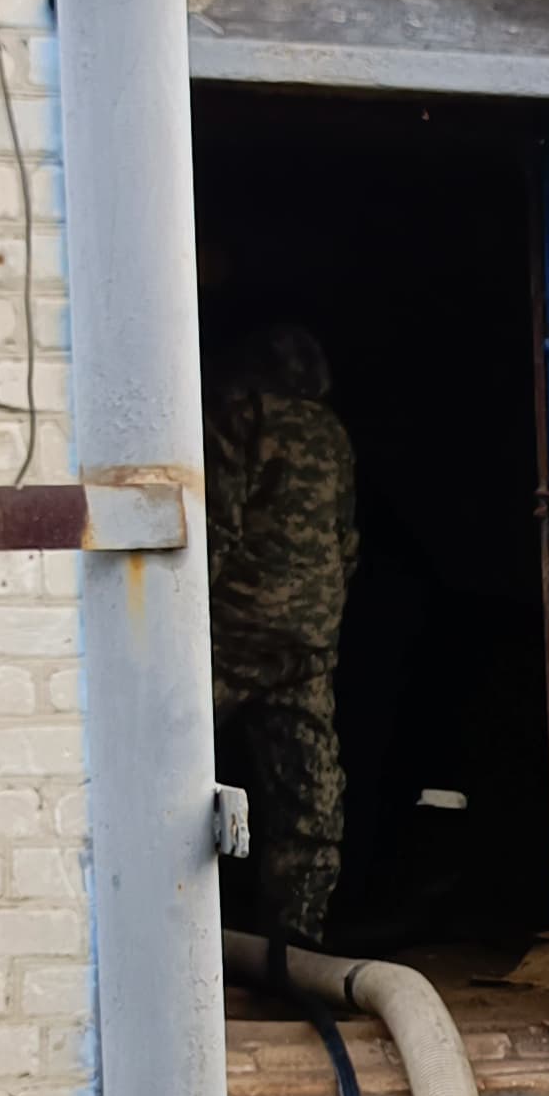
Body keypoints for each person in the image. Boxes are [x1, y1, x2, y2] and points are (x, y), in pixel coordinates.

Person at [204, 320, 358, 948]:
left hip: (231, 639)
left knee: (162, 777)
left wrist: (180, 628)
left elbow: (215, 528)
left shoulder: (239, 414)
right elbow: (347, 542)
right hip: (309, 641)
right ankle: (297, 948)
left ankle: (164, 943)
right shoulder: (331, 431)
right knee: (311, 797)